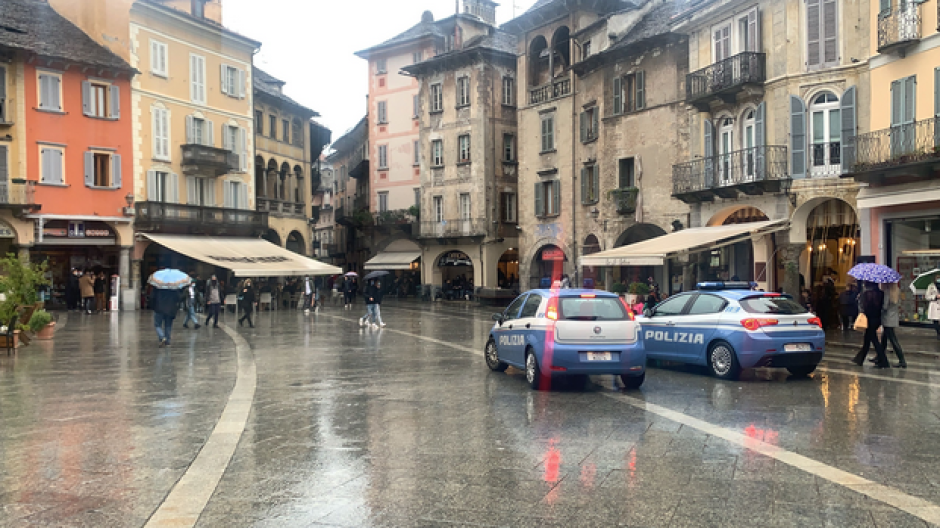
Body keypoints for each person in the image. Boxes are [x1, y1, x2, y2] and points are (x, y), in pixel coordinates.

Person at [853, 282, 889, 369]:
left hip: (868, 319)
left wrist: (859, 299)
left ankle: (884, 361)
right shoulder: (881, 293)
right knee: (867, 339)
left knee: (874, 340)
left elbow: (862, 307)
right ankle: (859, 359)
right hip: (877, 318)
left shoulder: (866, 294)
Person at [879, 283, 907, 368]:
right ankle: (880, 356)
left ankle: (902, 360)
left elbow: (885, 306)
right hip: (893, 318)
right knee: (884, 339)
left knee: (893, 340)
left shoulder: (887, 292)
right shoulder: (896, 291)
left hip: (887, 319)